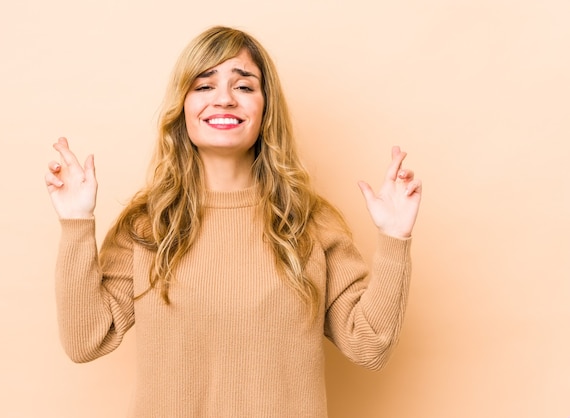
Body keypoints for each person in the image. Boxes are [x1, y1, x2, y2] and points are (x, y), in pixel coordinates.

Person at [45, 26, 421, 418]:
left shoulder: (309, 222)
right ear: (183, 107)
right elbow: (85, 340)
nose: (224, 99)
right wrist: (76, 222)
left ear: (265, 107)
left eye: (243, 87)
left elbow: (369, 345)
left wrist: (395, 238)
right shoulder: (147, 226)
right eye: (204, 86)